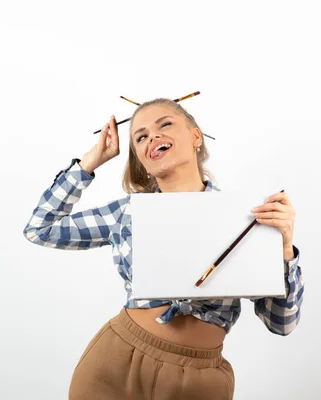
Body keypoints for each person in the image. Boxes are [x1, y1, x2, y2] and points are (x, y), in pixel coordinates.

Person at [23, 98, 304, 400]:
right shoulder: (127, 212)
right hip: (115, 362)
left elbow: (281, 323)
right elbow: (40, 229)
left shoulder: (245, 218)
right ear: (141, 158)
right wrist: (90, 161)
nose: (152, 137)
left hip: (199, 380)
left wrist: (285, 249)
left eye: (165, 124)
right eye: (140, 137)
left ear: (195, 136)